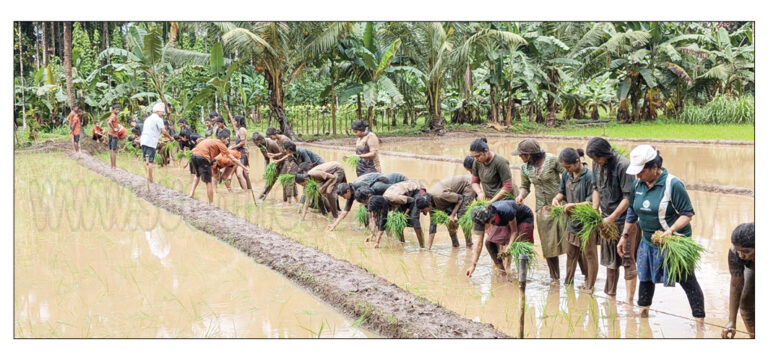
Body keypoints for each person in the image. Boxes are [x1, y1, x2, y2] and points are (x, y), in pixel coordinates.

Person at [617, 145, 704, 321]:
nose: (637, 176)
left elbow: (687, 214)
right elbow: (632, 212)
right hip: (648, 242)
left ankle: (700, 324)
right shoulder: (637, 184)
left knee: (687, 281)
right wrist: (624, 236)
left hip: (673, 243)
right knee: (646, 279)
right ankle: (643, 318)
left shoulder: (673, 184)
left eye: (641, 172)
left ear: (654, 168)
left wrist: (671, 231)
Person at [586, 137, 639, 302]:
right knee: (610, 262)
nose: (595, 162)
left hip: (625, 221)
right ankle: (610, 297)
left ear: (605, 153)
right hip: (606, 220)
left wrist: (612, 217)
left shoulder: (623, 165)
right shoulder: (596, 164)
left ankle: (629, 301)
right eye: (593, 159)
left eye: (597, 158)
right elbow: (596, 188)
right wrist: (595, 209)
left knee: (627, 260)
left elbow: (628, 198)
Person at [514, 139, 567, 281]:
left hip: (560, 206)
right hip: (542, 209)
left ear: (530, 154)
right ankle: (554, 278)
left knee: (570, 243)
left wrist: (563, 195)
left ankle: (574, 277)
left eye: (522, 155)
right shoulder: (525, 168)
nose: (521, 158)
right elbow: (525, 186)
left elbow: (569, 175)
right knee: (548, 246)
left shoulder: (552, 160)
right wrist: (520, 196)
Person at [552, 148, 597, 291]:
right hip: (572, 221)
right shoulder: (566, 174)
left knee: (590, 254)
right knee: (571, 253)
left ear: (577, 161)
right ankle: (568, 284)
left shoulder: (590, 176)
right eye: (565, 168)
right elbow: (562, 192)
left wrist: (574, 205)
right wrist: (556, 199)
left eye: (569, 166)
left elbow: (593, 202)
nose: (567, 170)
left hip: (587, 223)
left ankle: (589, 286)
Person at [465, 200, 535, 277]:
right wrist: (473, 266)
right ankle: (502, 272)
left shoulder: (506, 211)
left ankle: (522, 277)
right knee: (489, 242)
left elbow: (514, 231)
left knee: (520, 247)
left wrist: (509, 246)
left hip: (523, 218)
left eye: (482, 226)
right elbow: (479, 244)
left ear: (489, 220)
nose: (482, 229)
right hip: (505, 220)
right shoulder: (484, 219)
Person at [328, 172, 407, 231]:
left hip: (396, 181)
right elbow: (345, 211)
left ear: (348, 191)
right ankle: (374, 229)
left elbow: (373, 204)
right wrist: (334, 225)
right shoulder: (352, 192)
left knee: (394, 207)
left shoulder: (361, 187)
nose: (344, 198)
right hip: (382, 185)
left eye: (343, 196)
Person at [189, 129, 248, 203]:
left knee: (197, 175)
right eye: (227, 139)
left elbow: (195, 148)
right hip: (203, 157)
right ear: (222, 139)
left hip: (194, 156)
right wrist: (245, 168)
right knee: (208, 182)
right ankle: (211, 203)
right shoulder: (220, 144)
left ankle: (191, 193)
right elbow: (232, 159)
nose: (228, 141)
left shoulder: (211, 141)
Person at [367, 180, 427, 248]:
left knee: (413, 218)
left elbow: (412, 201)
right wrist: (377, 243)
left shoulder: (393, 198)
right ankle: (402, 243)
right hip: (405, 196)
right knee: (397, 221)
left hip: (418, 190)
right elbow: (382, 222)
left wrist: (406, 214)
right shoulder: (384, 201)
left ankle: (422, 247)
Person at [423, 175, 476, 249]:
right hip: (453, 193)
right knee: (448, 220)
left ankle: (469, 244)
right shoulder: (430, 204)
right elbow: (433, 225)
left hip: (468, 185)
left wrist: (452, 215)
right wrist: (428, 247)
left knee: (461, 215)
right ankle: (455, 244)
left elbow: (460, 199)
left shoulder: (440, 195)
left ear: (429, 204)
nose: (424, 213)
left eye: (424, 210)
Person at [722, 222, 754, 339]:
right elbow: (736, 285)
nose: (741, 255)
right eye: (738, 251)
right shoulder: (735, 252)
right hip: (752, 268)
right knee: (745, 304)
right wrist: (732, 321)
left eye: (746, 251)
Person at [469, 138, 518, 203]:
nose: (476, 159)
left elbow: (508, 186)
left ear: (486, 151)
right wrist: (480, 193)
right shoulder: (477, 162)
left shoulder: (500, 162)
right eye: (474, 157)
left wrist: (492, 201)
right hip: (490, 199)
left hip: (505, 200)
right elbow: (474, 182)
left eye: (478, 156)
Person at [139, 103, 175, 191]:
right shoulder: (158, 119)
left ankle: (147, 176)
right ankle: (150, 179)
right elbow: (164, 131)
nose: (163, 114)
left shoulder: (148, 119)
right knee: (150, 161)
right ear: (158, 111)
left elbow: (150, 131)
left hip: (144, 141)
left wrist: (158, 141)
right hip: (150, 142)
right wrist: (170, 138)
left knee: (145, 160)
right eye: (162, 112)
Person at [265, 127, 297, 202]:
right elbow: (283, 152)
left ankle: (289, 200)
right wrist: (274, 155)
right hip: (286, 160)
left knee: (286, 179)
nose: (271, 138)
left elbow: (289, 153)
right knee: (286, 180)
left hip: (291, 161)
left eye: (271, 136)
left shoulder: (284, 139)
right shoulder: (277, 140)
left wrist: (279, 160)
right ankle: (289, 200)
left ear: (275, 134)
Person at [106, 104, 122, 169]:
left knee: (111, 150)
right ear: (113, 110)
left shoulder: (111, 115)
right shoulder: (113, 116)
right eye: (116, 110)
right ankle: (114, 166)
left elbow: (107, 121)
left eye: (118, 110)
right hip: (114, 135)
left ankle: (112, 166)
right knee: (113, 150)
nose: (117, 111)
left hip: (110, 134)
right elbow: (109, 122)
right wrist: (114, 129)